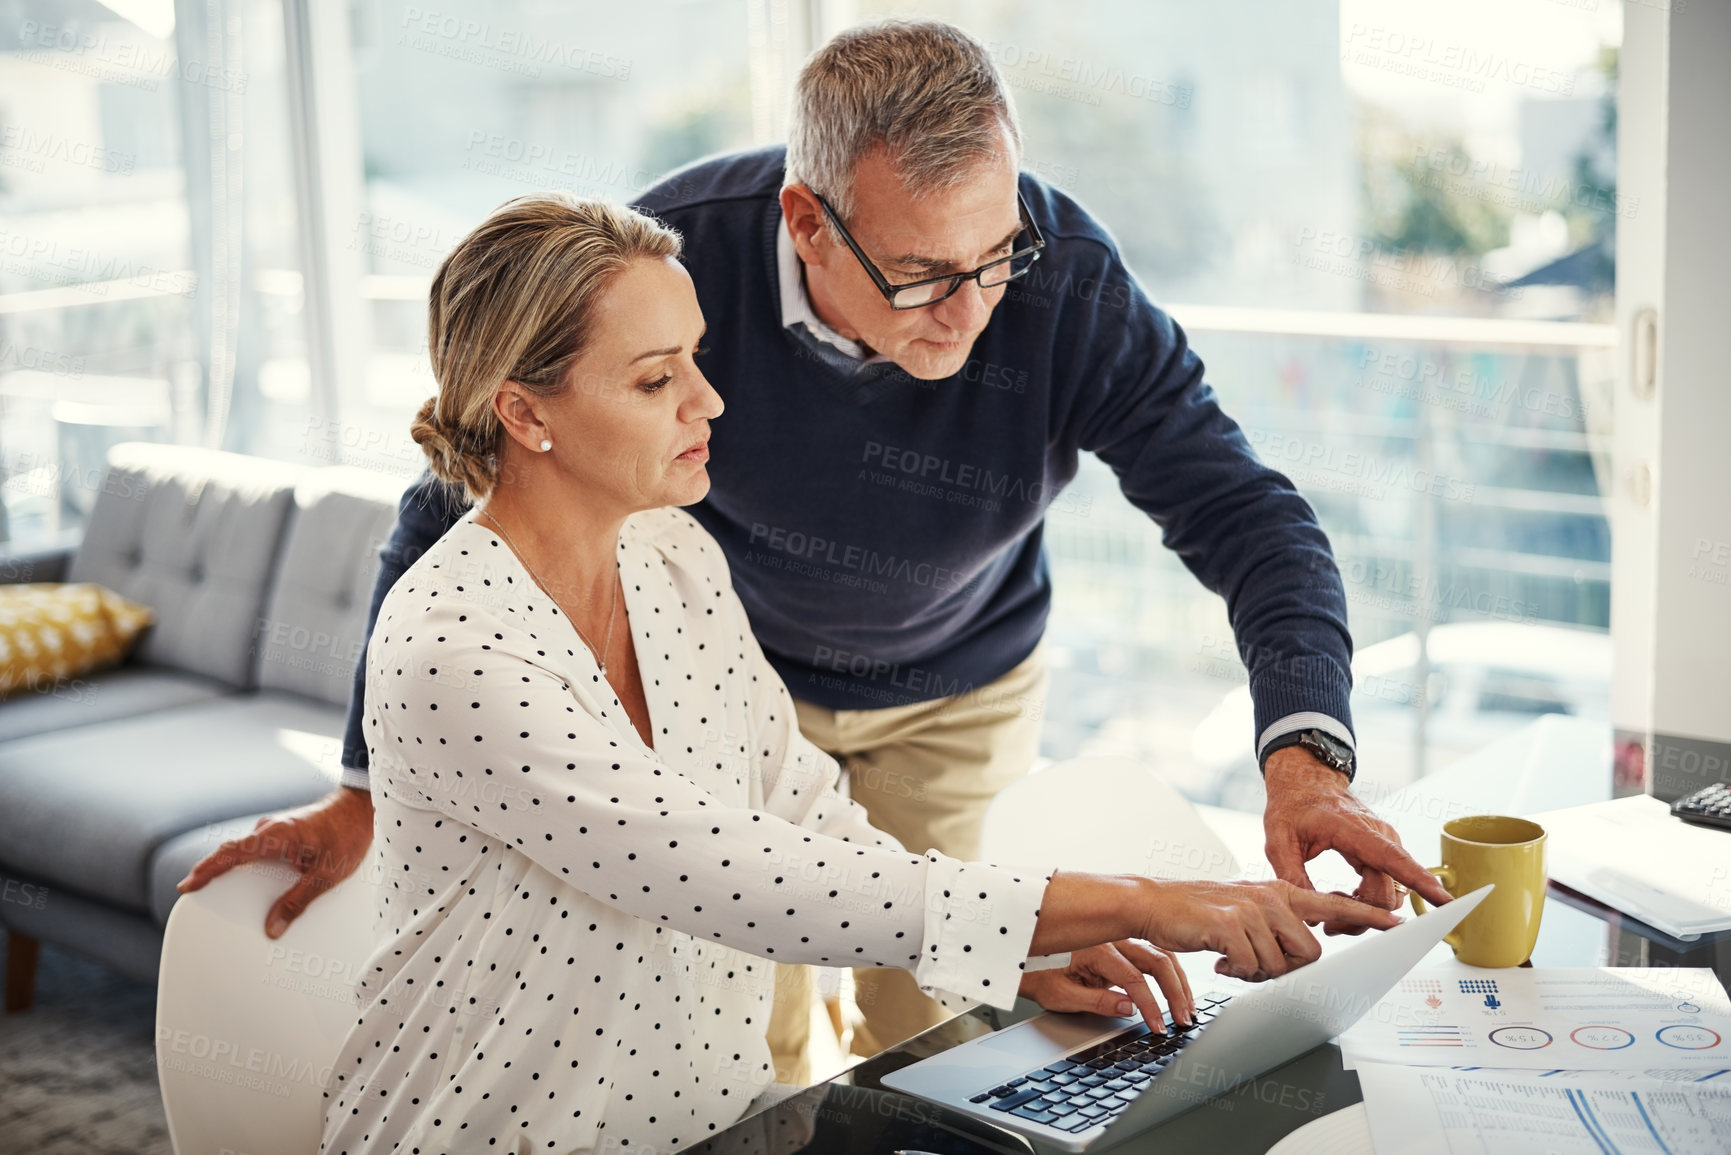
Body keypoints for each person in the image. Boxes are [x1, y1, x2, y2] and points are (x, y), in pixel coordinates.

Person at [182, 19, 1451, 1078]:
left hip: (951, 682)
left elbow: (1251, 516)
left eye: (995, 254)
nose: (970, 311)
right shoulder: (671, 275)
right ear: (804, 218)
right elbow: (455, 496)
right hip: (729, 677)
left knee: (953, 1027)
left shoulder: (1063, 287)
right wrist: (372, 784)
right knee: (745, 1031)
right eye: (917, 273)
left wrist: (1308, 760)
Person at [316, 191, 1403, 1153]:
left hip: (713, 1121)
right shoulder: (457, 649)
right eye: (657, 381)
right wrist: (1154, 902)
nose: (711, 403)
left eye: (697, 358)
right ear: (524, 412)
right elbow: (730, 874)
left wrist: (1011, 965)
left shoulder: (672, 556)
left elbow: (799, 812)